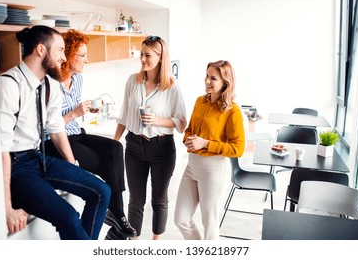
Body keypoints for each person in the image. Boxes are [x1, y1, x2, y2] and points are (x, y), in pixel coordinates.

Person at [0, 25, 111, 240]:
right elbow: (0, 150)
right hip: (15, 167)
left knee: (102, 191)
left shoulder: (49, 83)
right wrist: (7, 208)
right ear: (41, 50)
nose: (63, 56)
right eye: (60, 50)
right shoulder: (8, 85)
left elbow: (57, 128)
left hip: (38, 158)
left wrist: (71, 165)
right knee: (68, 217)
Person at [44, 29, 136, 239]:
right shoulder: (49, 84)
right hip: (56, 142)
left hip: (76, 133)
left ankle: (117, 214)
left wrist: (84, 110)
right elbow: (46, 127)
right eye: (82, 55)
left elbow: (72, 113)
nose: (87, 60)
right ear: (67, 55)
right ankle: (115, 217)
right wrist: (74, 113)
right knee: (105, 163)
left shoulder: (78, 80)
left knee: (115, 147)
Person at [114, 35, 187, 240]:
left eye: (148, 55)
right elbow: (124, 114)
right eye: (141, 54)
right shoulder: (133, 81)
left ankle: (156, 244)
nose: (143, 59)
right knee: (135, 200)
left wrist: (157, 120)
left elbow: (181, 122)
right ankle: (134, 242)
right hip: (134, 146)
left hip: (162, 148)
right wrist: (114, 141)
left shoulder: (172, 87)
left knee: (159, 200)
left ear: (161, 57)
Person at [174, 60, 246, 240]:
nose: (207, 81)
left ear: (225, 82)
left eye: (213, 78)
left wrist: (205, 144)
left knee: (209, 222)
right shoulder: (200, 101)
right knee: (181, 219)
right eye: (207, 75)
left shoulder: (232, 111)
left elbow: (238, 149)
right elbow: (190, 129)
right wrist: (188, 139)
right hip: (192, 166)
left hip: (212, 170)